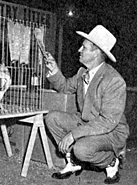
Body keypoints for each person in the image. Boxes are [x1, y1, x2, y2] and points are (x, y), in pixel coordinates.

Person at [44, 25, 129, 184]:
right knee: (52, 118)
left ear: (96, 53)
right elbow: (64, 87)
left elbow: (107, 122)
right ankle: (73, 163)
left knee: (82, 149)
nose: (79, 50)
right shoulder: (82, 72)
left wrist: (73, 135)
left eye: (84, 47)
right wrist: (54, 70)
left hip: (111, 130)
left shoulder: (114, 81)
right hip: (86, 122)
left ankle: (111, 163)